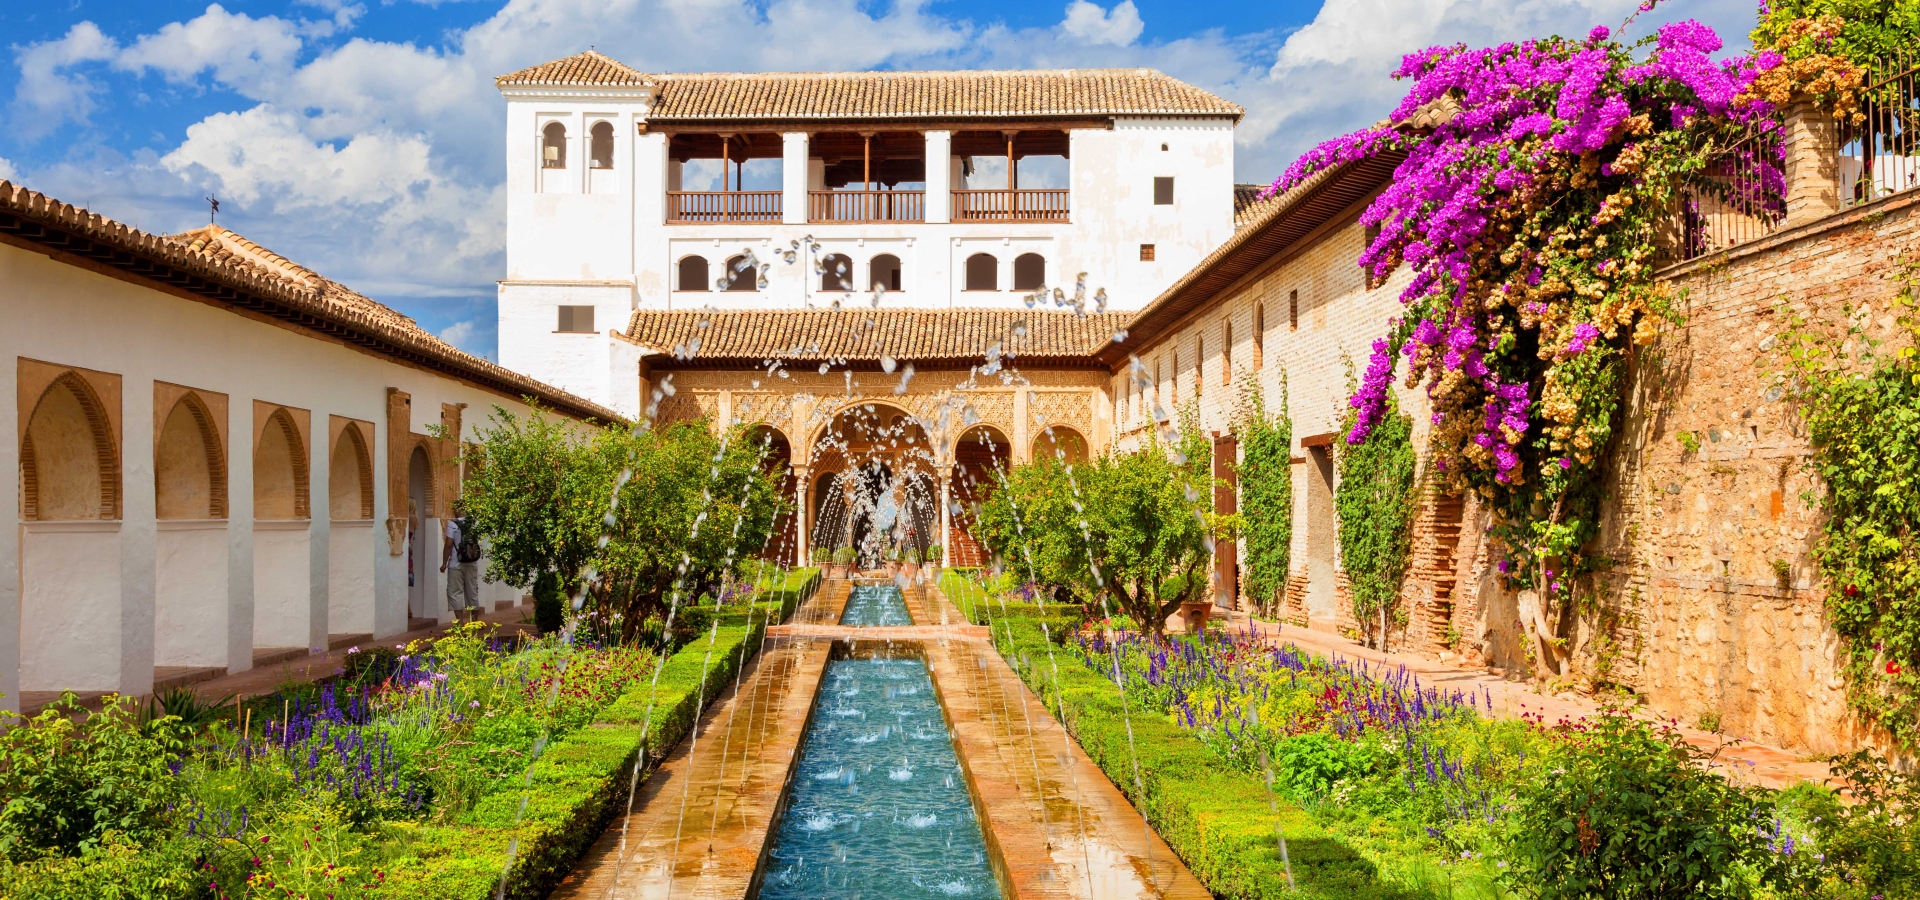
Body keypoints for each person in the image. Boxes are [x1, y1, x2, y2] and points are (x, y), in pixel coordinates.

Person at [441, 501, 483, 622]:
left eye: (454, 509)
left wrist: (444, 563)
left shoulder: (452, 524)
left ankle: (459, 622)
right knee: (472, 591)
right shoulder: (474, 523)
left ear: (457, 510)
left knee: (455, 592)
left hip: (456, 563)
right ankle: (474, 622)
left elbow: (448, 545)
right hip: (472, 562)